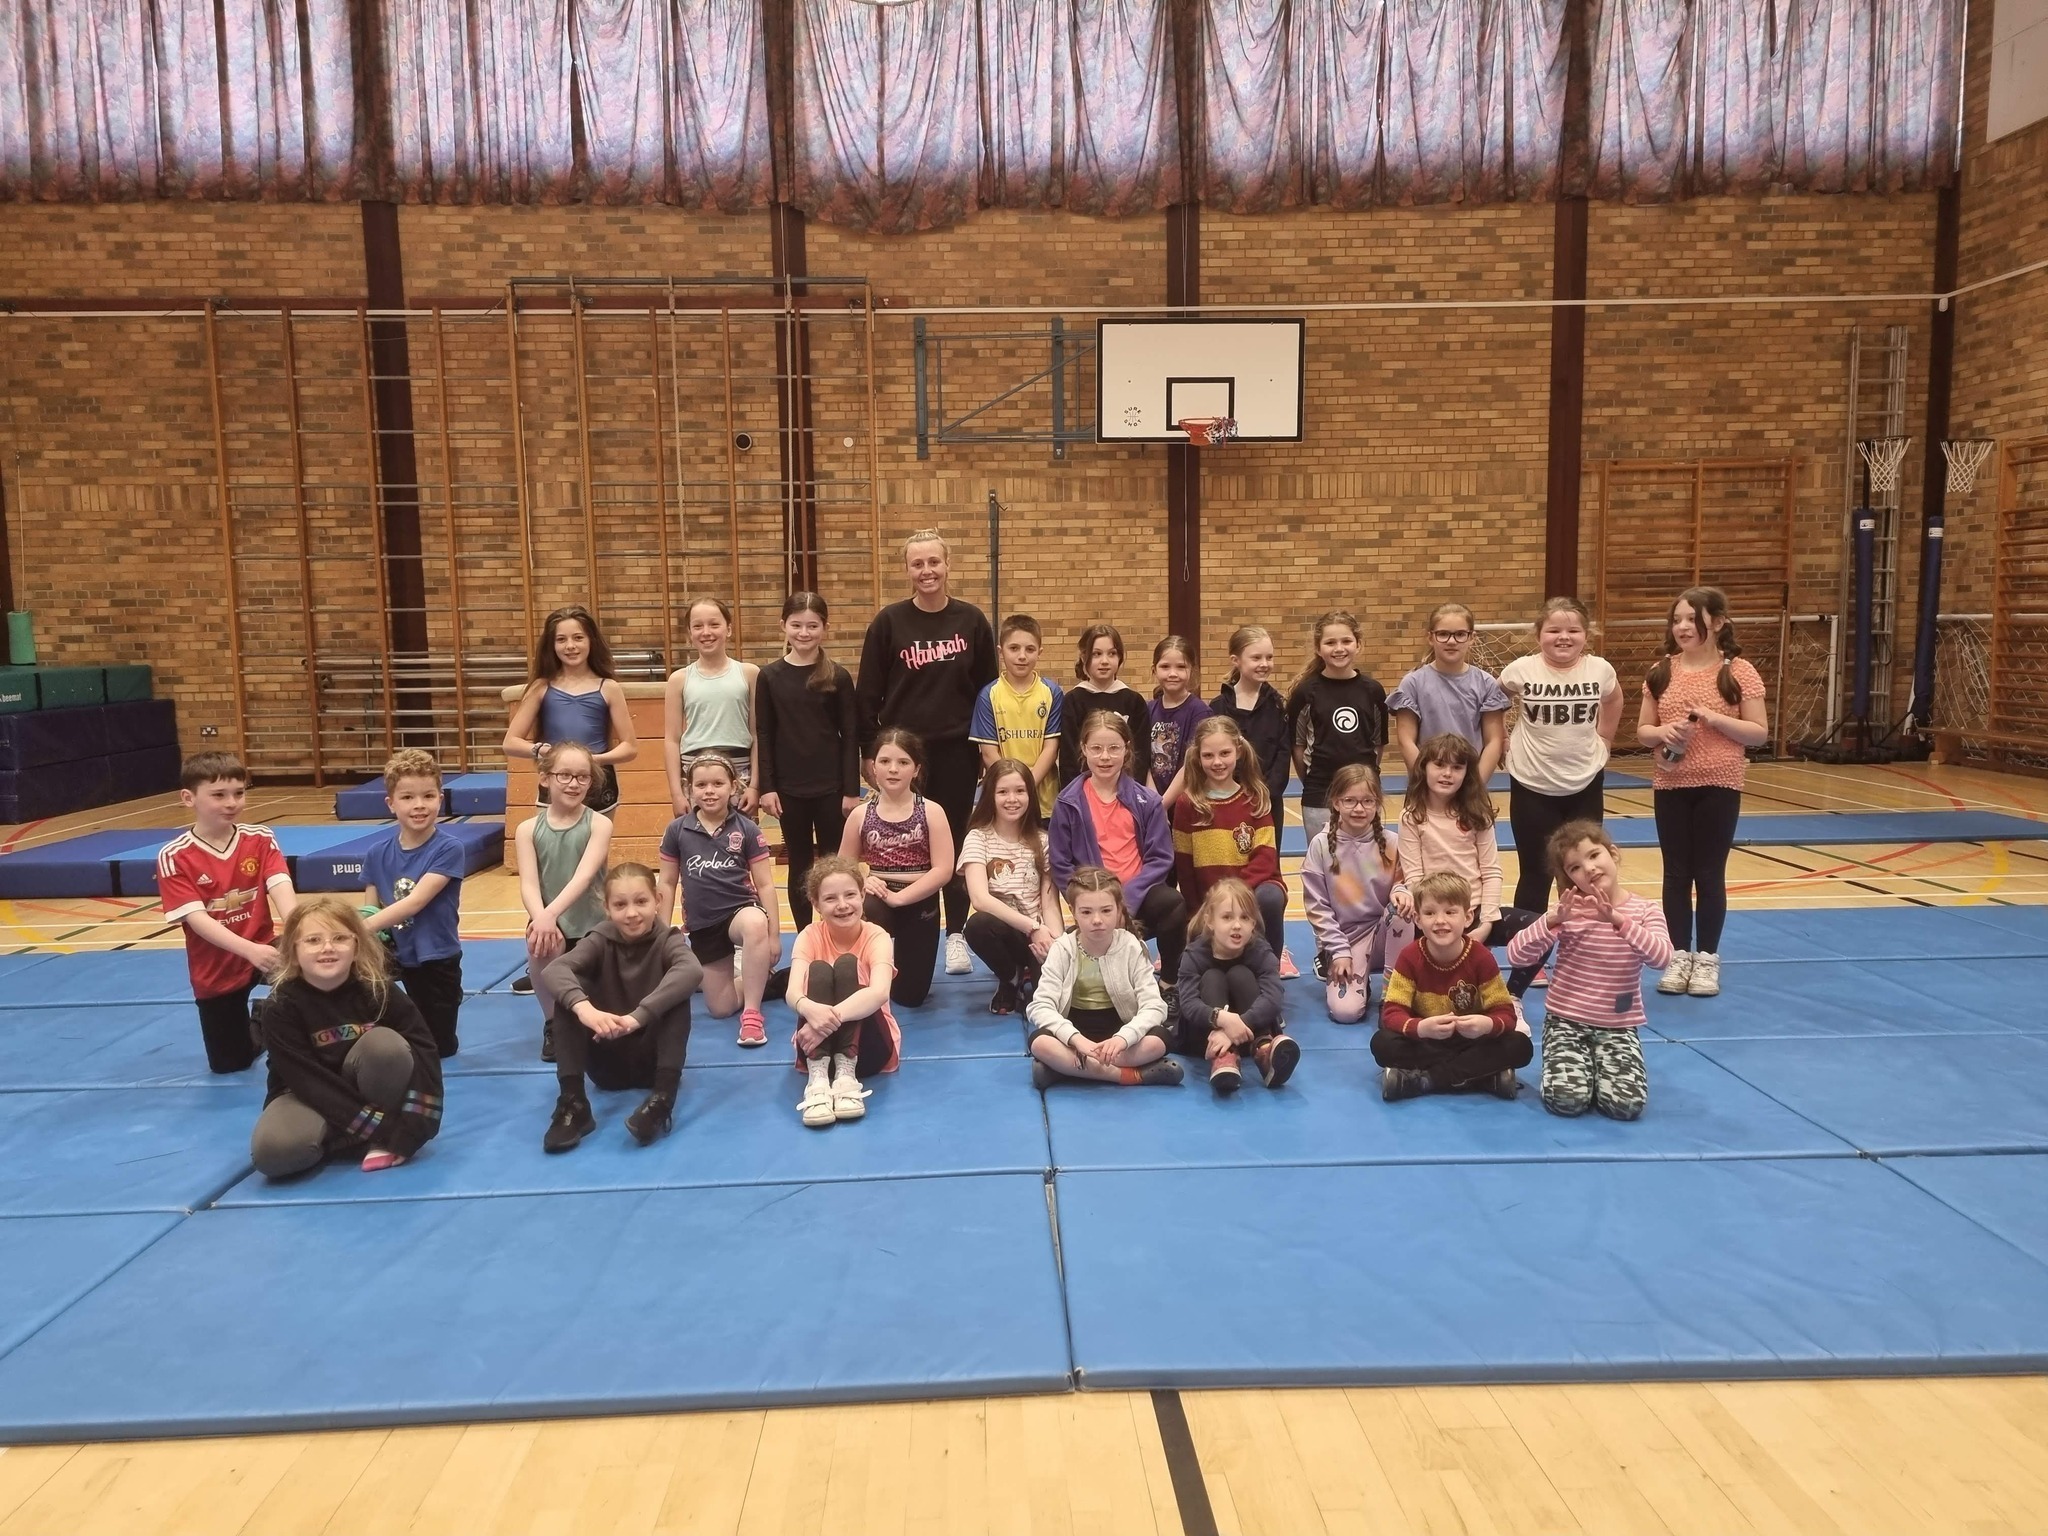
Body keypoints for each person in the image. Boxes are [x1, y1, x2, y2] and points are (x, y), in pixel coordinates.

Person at [856, 529, 999, 979]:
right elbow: (868, 694)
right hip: (901, 754)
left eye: (933, 562)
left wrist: (983, 749)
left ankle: (955, 932)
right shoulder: (889, 623)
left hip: (957, 749)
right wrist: (868, 752)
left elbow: (987, 692)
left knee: (953, 841)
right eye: (917, 564)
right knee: (901, 839)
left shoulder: (971, 620)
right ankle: (892, 925)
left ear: (948, 563)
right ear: (907, 570)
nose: (926, 572)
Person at [1637, 586, 1769, 1000]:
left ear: (1716, 622)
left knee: (1709, 873)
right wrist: (1662, 731)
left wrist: (1713, 717)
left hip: (1720, 784)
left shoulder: (1738, 672)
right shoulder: (1661, 671)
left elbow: (1759, 732)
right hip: (1671, 783)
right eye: (1676, 619)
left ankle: (1707, 957)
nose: (1682, 627)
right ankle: (1678, 955)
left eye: (1691, 619)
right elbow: (1642, 731)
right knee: (1676, 873)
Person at [250, 898, 443, 1178]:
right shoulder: (280, 1006)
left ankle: (345, 1135)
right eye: (313, 940)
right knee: (273, 1154)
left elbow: (425, 1051)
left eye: (339, 938)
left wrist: (417, 1126)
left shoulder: (378, 990)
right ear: (293, 950)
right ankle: (355, 1137)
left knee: (386, 1047)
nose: (327, 948)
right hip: (304, 1095)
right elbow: (308, 1081)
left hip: (369, 1086)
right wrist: (386, 1130)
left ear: (356, 947)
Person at [1507, 821, 1671, 1121]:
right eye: (1576, 868)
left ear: (1614, 854)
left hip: (1618, 1026)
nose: (1590, 868)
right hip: (1566, 1022)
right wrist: (1551, 921)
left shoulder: (1646, 911)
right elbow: (1517, 954)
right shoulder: (1571, 911)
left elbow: (1661, 959)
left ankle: (1598, 1067)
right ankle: (1576, 1069)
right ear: (1569, 878)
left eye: (1594, 855)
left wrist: (1620, 922)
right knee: (1566, 1102)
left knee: (1625, 1106)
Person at [1497, 597, 1622, 979]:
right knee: (1535, 873)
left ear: (1587, 635)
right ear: (1539, 635)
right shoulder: (1522, 669)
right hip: (1533, 782)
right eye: (1553, 630)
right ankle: (1530, 959)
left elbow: (1614, 699)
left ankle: (1586, 952)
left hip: (1584, 781)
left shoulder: (1599, 669)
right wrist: (1500, 737)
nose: (1563, 637)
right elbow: (1495, 699)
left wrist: (1606, 736)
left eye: (1573, 630)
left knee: (1586, 874)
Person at [540, 864, 702, 1151]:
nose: (631, 913)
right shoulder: (599, 939)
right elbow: (554, 970)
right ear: (606, 907)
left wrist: (636, 1018)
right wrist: (585, 1009)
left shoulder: (668, 941)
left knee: (678, 994)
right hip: (606, 1064)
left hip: (653, 1063)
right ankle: (573, 1101)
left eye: (641, 902)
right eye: (620, 904)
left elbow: (692, 971)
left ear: (658, 901)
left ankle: (662, 1099)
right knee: (569, 996)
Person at [157, 751, 297, 1074]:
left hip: (265, 945)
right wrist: (249, 951)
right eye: (218, 795)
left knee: (311, 964)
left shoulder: (260, 838)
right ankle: (261, 1016)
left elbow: (280, 887)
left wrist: (299, 929)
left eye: (239, 793)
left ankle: (295, 1029)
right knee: (230, 1063)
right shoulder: (175, 856)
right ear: (188, 798)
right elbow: (197, 920)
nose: (231, 802)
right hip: (218, 964)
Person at [1392, 731, 1541, 997]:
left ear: (1466, 773)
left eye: (1457, 767)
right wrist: (1433, 919)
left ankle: (1512, 997)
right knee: (1396, 921)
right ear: (1424, 767)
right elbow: (1414, 876)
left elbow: (1492, 871)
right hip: (1434, 913)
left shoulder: (1476, 814)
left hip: (1475, 912)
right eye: (1439, 765)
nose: (1447, 773)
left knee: (1539, 929)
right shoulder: (1412, 817)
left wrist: (1486, 921)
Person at [1048, 711, 1186, 993]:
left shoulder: (1146, 801)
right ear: (1084, 750)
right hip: (1093, 899)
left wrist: (1128, 900)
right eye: (1096, 748)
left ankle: (1170, 983)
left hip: (1137, 899)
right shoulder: (1068, 802)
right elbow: (1060, 864)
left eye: (1114, 748)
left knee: (1174, 903)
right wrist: (1088, 900)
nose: (1105, 757)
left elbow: (1161, 857)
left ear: (1127, 749)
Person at [755, 592, 861, 931]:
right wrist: (768, 787)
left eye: (812, 626)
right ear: (783, 626)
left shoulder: (838, 676)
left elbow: (850, 737)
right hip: (789, 789)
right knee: (799, 863)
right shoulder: (769, 676)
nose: (804, 632)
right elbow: (765, 734)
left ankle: (839, 929)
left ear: (825, 628)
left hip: (831, 788)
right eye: (797, 625)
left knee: (836, 864)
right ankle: (805, 934)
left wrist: (850, 790)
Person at [656, 753, 779, 1045]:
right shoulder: (677, 830)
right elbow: (668, 882)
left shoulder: (747, 829)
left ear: (733, 787)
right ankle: (763, 978)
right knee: (720, 1008)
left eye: (717, 783)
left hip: (740, 911)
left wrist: (773, 934)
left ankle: (752, 1014)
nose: (709, 791)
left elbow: (765, 884)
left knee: (754, 923)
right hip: (703, 924)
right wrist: (660, 934)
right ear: (690, 790)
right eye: (701, 785)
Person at [1374, 871, 1530, 1101]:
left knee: (1520, 1045)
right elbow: (1392, 1012)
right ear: (1417, 919)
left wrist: (1486, 1024)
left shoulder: (1480, 957)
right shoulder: (1409, 956)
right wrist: (1421, 1028)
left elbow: (1505, 1014)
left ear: (1467, 917)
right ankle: (1483, 1077)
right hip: (1427, 1040)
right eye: (1429, 913)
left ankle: (1426, 1080)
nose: (1440, 921)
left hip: (1471, 1041)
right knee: (1382, 1043)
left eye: (1450, 912)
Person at [1025, 867, 1183, 1088]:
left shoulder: (1131, 946)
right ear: (1073, 911)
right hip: (1075, 1029)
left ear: (1119, 910)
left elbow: (1154, 1006)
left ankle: (1067, 1070)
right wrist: (1076, 1040)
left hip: (1119, 1028)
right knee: (1040, 1043)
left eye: (1106, 911)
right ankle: (1127, 1075)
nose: (1097, 920)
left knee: (1160, 1040)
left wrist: (1123, 1038)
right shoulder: (1062, 948)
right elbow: (1040, 1006)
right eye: (1087, 912)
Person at [837, 727, 955, 1007]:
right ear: (873, 768)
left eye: (903, 762)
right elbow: (842, 867)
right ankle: (856, 970)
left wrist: (900, 897)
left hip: (918, 900)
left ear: (916, 769)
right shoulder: (860, 815)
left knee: (910, 997)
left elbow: (943, 870)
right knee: (861, 907)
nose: (893, 769)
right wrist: (864, 877)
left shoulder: (931, 811)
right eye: (885, 761)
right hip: (877, 899)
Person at [1210, 622, 1301, 979]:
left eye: (1269, 657)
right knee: (1226, 865)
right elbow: (1215, 753)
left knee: (1264, 871)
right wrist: (1232, 790)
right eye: (1256, 657)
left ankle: (1271, 951)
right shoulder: (1219, 705)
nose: (1264, 663)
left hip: (1265, 803)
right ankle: (1218, 934)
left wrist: (1267, 791)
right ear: (1236, 660)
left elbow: (1282, 751)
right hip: (1226, 800)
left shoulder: (1277, 705)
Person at [514, 740, 614, 1062]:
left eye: (583, 777)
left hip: (592, 923)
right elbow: (529, 882)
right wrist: (542, 918)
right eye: (565, 775)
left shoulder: (599, 823)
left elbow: (584, 877)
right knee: (540, 941)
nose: (574, 784)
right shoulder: (527, 829)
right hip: (551, 922)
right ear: (545, 778)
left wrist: (549, 913)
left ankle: (593, 1014)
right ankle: (553, 1023)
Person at [362, 748, 465, 1058]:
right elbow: (371, 906)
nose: (419, 805)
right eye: (407, 798)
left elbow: (414, 902)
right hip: (394, 955)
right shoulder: (376, 854)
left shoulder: (449, 848)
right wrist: (367, 937)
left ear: (440, 799)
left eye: (428, 796)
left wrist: (357, 926)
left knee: (439, 1047)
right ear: (391, 803)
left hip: (437, 956)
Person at [787, 856, 903, 1127]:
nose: (842, 905)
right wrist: (808, 1009)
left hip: (869, 1052)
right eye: (830, 899)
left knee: (847, 964)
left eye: (850, 895)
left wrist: (823, 1022)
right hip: (816, 1052)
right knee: (818, 969)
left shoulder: (877, 936)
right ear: (816, 904)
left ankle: (846, 1076)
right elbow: (793, 993)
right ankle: (818, 1081)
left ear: (863, 895)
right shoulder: (809, 935)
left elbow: (879, 993)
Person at [502, 604, 638, 820]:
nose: (571, 646)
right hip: (556, 779)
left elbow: (630, 747)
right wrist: (542, 751)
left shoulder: (608, 688)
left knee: (595, 850)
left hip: (597, 780)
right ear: (552, 645)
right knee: (551, 849)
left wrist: (594, 760)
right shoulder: (541, 687)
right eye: (561, 640)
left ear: (590, 641)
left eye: (578, 638)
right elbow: (510, 742)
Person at [1300, 762, 1412, 1024]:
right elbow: (1317, 908)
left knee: (1403, 911)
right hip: (1346, 940)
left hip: (1385, 933)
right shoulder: (1320, 846)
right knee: (1346, 1013)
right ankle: (1356, 978)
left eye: (1367, 801)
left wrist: (1400, 890)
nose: (1359, 808)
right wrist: (1338, 951)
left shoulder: (1392, 842)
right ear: (1336, 802)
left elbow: (1403, 881)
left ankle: (1393, 991)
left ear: (1377, 803)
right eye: (1350, 800)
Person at [1171, 717, 1285, 960]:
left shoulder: (1255, 798)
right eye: (1209, 756)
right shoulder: (1187, 804)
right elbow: (1184, 865)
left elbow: (1265, 859)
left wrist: (1233, 896)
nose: (1217, 762)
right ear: (1197, 757)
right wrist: (1195, 910)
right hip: (1209, 900)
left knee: (1272, 897)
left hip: (1252, 891)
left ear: (1239, 751)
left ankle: (1270, 966)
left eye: (1225, 753)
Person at [959, 757, 1061, 1015]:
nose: (1012, 799)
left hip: (1038, 935)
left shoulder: (1043, 841)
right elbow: (980, 899)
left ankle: (1032, 971)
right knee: (978, 925)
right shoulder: (978, 837)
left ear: (1030, 795)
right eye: (1003, 791)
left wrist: (1056, 943)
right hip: (1008, 930)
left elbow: (1049, 902)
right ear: (990, 796)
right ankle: (1010, 976)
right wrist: (1033, 928)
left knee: (1047, 1003)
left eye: (1019, 791)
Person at [1176, 878, 1295, 1095]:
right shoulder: (1194, 954)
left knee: (1240, 974)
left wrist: (1238, 1025)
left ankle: (1263, 1052)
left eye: (1245, 917)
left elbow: (1273, 998)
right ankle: (1223, 1056)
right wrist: (1220, 1019)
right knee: (1213, 977)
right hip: (1204, 1037)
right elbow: (1188, 1003)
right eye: (1227, 917)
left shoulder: (1260, 950)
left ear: (1253, 924)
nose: (1237, 925)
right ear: (1209, 922)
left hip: (1250, 1031)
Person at [1286, 609, 1388, 849]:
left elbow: (1378, 743)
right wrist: (1312, 780)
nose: (1339, 648)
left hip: (1364, 793)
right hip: (1319, 793)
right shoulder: (1306, 693)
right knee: (1324, 864)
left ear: (1358, 644)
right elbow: (1298, 746)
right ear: (1318, 648)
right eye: (1330, 642)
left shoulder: (1373, 690)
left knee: (1365, 864)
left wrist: (1367, 778)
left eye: (1346, 641)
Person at [1390, 601, 1509, 785]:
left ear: (1472, 638)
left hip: (1469, 785)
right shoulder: (1413, 683)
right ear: (1430, 637)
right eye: (1443, 634)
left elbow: (1494, 741)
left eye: (1460, 634)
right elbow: (1406, 741)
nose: (1452, 641)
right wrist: (1427, 784)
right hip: (1425, 787)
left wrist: (1474, 786)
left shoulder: (1486, 684)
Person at [663, 596, 759, 817]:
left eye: (714, 624)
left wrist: (754, 786)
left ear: (729, 629)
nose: (706, 632)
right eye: (698, 626)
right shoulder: (679, 679)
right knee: (696, 841)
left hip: (739, 770)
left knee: (740, 841)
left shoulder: (749, 674)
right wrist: (677, 794)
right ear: (689, 634)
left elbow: (756, 734)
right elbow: (672, 739)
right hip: (695, 771)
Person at [970, 613, 1064, 816]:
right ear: (1000, 651)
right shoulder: (989, 695)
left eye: (1029, 649)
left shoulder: (1052, 693)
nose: (1022, 656)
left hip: (1044, 803)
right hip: (1005, 799)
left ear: (1040, 652)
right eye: (1014, 648)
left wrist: (1026, 785)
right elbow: (988, 753)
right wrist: (1014, 788)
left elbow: (1051, 748)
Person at [1056, 623, 1154, 787]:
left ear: (1120, 657)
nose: (1104, 661)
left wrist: (1129, 791)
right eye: (1096, 654)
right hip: (1084, 794)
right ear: (1083, 656)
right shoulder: (1073, 700)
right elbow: (1068, 759)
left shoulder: (1134, 701)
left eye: (1112, 654)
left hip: (1124, 792)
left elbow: (1140, 757)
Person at [1147, 634, 1209, 807]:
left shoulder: (1199, 712)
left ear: (1191, 670)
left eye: (1181, 667)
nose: (1172, 673)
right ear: (1154, 670)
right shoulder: (1148, 710)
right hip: (1152, 803)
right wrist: (1154, 803)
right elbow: (1143, 761)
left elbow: (1191, 763)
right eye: (1165, 666)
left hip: (1185, 803)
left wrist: (1163, 804)